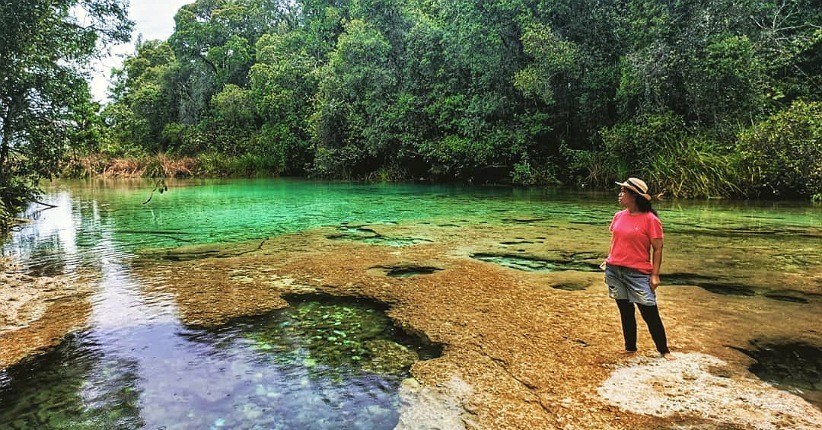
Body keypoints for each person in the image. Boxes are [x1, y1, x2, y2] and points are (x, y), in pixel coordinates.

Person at [604, 177, 675, 360]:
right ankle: (630, 347)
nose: (620, 195)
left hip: (638, 273)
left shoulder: (650, 220)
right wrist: (610, 260)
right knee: (625, 311)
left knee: (649, 311)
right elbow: (616, 241)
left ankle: (664, 350)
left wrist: (655, 275)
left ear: (634, 196)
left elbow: (657, 248)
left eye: (624, 192)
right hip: (614, 270)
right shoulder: (619, 216)